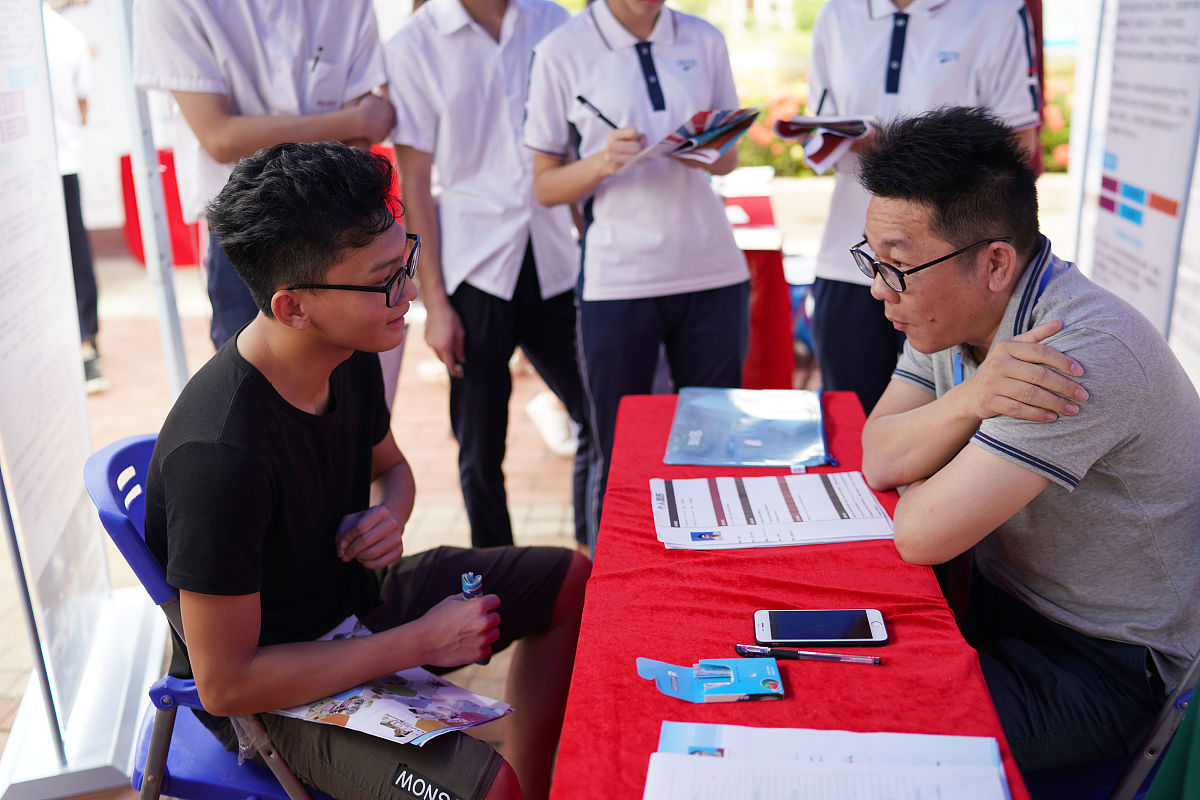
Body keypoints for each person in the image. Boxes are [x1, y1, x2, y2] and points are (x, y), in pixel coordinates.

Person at [144, 142, 590, 800]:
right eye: (385, 280)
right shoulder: (219, 454)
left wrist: (390, 513)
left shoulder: (344, 350)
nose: (408, 292)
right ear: (293, 307)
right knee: (489, 788)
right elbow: (226, 683)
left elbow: (394, 469)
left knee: (571, 583)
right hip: (275, 687)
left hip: (351, 602)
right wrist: (419, 642)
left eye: (406, 260)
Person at [857, 107, 1200, 774]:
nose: (878, 288)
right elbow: (880, 455)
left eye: (897, 265)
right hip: (1007, 605)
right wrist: (971, 399)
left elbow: (921, 534)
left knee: (877, 733)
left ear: (994, 263)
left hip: (1107, 662)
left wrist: (929, 465)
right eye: (874, 260)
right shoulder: (946, 310)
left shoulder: (1071, 355)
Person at [524, 0, 750, 542]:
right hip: (617, 279)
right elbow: (545, 186)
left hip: (713, 270)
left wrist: (698, 147)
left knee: (716, 449)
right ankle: (613, 584)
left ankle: (713, 574)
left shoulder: (704, 38)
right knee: (620, 453)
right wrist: (603, 161)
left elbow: (729, 158)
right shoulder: (561, 50)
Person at [385, 0, 594, 550]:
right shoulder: (415, 44)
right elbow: (415, 184)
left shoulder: (553, 21)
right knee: (480, 448)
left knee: (597, 414)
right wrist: (435, 304)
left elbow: (576, 145)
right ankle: (497, 576)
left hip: (556, 258)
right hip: (473, 267)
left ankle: (593, 558)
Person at [807, 0, 1041, 414]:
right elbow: (822, 125)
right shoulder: (836, 13)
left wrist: (911, 157)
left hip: (946, 269)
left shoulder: (997, 12)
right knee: (853, 418)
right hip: (850, 259)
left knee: (960, 420)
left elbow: (1017, 149)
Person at [132, 0, 395, 350]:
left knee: (351, 372)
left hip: (339, 227)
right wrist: (352, 121)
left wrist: (353, 124)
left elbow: (358, 142)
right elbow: (219, 137)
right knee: (253, 372)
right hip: (246, 233)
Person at [44, 1, 106, 393]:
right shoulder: (69, 36)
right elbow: (83, 110)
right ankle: (86, 344)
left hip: (21, 172)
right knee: (74, 252)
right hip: (61, 162)